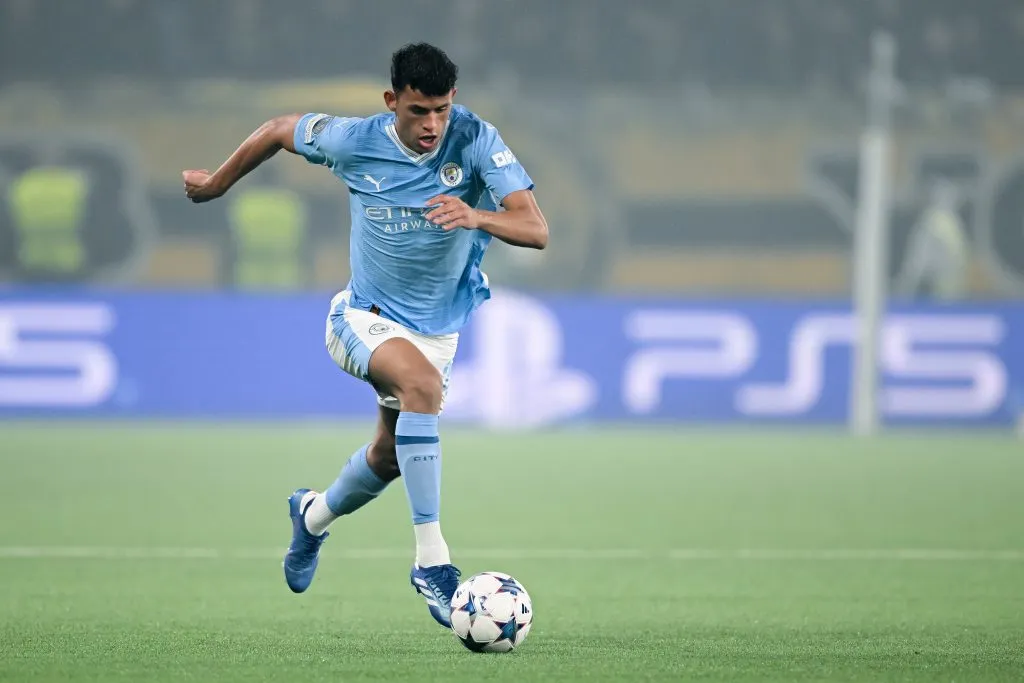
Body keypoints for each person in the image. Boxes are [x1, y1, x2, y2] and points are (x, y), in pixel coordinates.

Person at [182, 43, 548, 628]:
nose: (432, 125)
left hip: (438, 330)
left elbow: (534, 228)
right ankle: (432, 562)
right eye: (419, 111)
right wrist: (219, 184)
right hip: (361, 317)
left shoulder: (476, 139)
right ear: (392, 101)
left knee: (390, 455)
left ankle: (311, 518)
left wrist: (477, 215)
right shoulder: (354, 140)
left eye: (442, 111)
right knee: (422, 389)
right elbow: (279, 130)